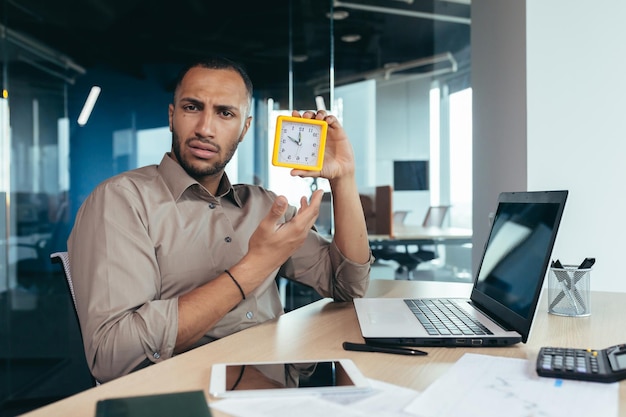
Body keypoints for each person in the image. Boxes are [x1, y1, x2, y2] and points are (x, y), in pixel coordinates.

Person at [68, 57, 372, 383]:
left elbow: (348, 285)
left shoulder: (264, 205)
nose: (205, 128)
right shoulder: (121, 200)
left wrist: (344, 179)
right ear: (172, 116)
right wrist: (255, 265)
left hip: (282, 390)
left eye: (225, 113)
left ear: (245, 128)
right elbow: (112, 355)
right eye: (192, 107)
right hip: (191, 397)